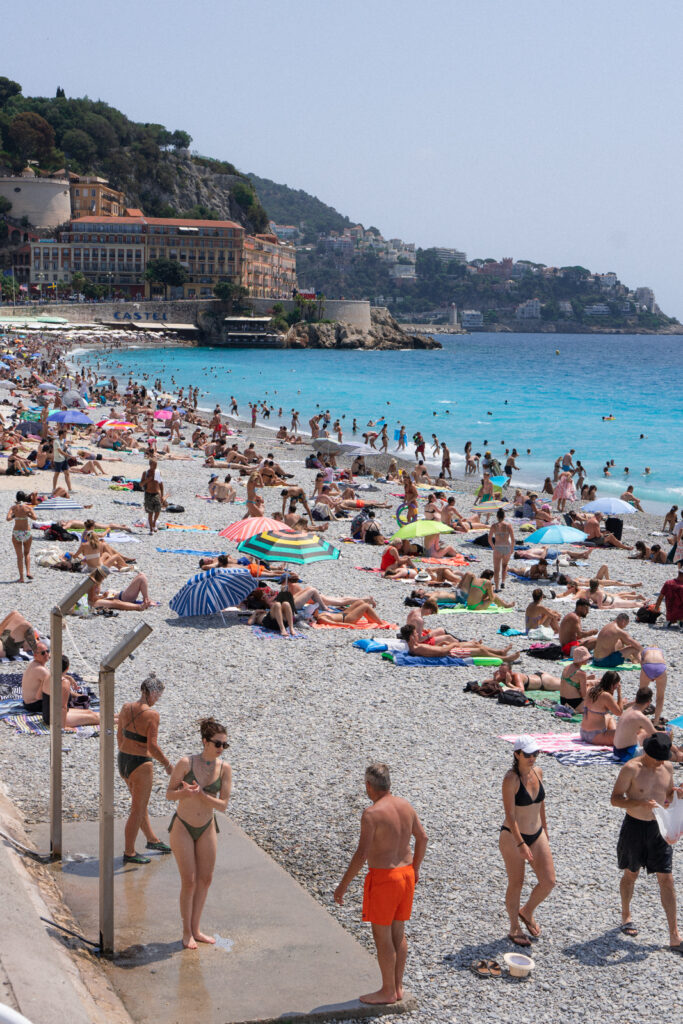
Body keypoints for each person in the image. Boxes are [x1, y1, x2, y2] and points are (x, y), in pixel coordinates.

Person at [334, 763, 427, 1005]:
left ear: (368, 786)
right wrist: (415, 868)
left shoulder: (371, 814)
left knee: (382, 936)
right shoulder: (405, 805)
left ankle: (387, 991)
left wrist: (343, 885)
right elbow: (423, 837)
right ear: (388, 784)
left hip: (385, 878)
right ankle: (397, 988)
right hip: (406, 875)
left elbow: (361, 854)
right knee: (399, 932)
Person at [610, 732, 683, 951]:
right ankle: (626, 915)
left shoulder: (667, 768)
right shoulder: (632, 769)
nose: (662, 762)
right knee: (631, 873)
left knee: (667, 879)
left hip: (658, 829)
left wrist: (677, 794)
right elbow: (615, 799)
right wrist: (638, 803)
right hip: (634, 827)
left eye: (664, 758)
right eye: (658, 758)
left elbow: (667, 794)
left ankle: (674, 935)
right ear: (647, 753)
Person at [166, 717, 232, 949]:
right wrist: (186, 793)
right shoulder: (186, 763)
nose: (221, 748)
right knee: (190, 881)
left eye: (225, 744)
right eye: (217, 743)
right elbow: (169, 794)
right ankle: (186, 932)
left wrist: (202, 795)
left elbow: (223, 805)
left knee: (205, 879)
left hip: (207, 826)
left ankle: (196, 928)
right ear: (205, 741)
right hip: (183, 825)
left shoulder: (224, 768)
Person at [499, 736, 555, 947]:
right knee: (517, 882)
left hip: (537, 832)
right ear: (517, 755)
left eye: (535, 754)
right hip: (513, 836)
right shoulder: (511, 779)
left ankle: (527, 910)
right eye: (528, 755)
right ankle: (514, 926)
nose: (532, 758)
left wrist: (546, 830)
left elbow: (541, 803)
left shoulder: (538, 772)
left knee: (548, 881)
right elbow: (510, 815)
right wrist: (521, 843)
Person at [117, 673, 173, 864]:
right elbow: (153, 747)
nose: (157, 700)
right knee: (137, 809)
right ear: (150, 693)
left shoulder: (125, 707)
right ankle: (129, 852)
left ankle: (152, 839)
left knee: (139, 805)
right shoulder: (152, 714)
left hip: (123, 760)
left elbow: (119, 736)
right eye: (157, 696)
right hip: (140, 764)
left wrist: (126, 750)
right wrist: (167, 764)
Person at [42, 654, 101, 730]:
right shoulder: (64, 683)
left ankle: (119, 716)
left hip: (48, 715)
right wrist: (63, 727)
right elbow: (63, 707)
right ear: (67, 668)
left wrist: (69, 677)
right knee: (94, 718)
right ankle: (119, 721)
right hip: (56, 718)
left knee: (90, 712)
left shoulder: (48, 676)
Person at [613, 688, 656, 762]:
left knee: (643, 732)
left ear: (636, 699)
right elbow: (656, 736)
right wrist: (667, 735)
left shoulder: (629, 710)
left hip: (616, 752)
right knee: (659, 749)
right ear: (648, 702)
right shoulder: (641, 717)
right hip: (626, 755)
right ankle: (679, 756)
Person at [580, 671, 622, 745]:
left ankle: (614, 733)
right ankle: (614, 734)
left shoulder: (591, 690)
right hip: (595, 736)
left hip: (583, 733)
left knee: (609, 717)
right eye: (616, 686)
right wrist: (619, 693)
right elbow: (619, 712)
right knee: (625, 736)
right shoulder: (606, 695)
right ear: (612, 685)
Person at [7, 491, 36, 583]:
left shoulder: (13, 508)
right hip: (26, 532)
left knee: (19, 556)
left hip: (16, 532)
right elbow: (35, 518)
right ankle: (28, 572)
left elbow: (8, 519)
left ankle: (21, 578)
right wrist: (28, 515)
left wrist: (15, 515)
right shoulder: (27, 508)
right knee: (27, 553)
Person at [639, 647, 668, 727]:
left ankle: (639, 719)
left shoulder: (645, 651)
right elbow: (662, 661)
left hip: (647, 666)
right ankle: (656, 721)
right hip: (661, 668)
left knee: (641, 695)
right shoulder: (660, 651)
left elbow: (641, 663)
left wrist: (649, 676)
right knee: (660, 697)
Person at [488, 508, 515, 590]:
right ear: (504, 516)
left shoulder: (494, 526)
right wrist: (512, 549)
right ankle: (503, 582)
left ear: (497, 516)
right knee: (505, 565)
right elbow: (513, 539)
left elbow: (489, 539)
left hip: (498, 547)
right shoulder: (508, 526)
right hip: (506, 547)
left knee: (496, 569)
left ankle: (496, 587)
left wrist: (493, 547)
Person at [21, 641, 50, 713]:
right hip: (34, 705)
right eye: (43, 653)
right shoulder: (41, 670)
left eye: (47, 651)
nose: (46, 654)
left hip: (27, 703)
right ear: (35, 655)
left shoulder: (34, 664)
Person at [141, 458, 164, 534]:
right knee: (150, 513)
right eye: (154, 465)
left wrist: (162, 496)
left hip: (156, 493)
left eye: (156, 465)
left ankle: (154, 522)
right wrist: (148, 479)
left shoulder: (158, 473)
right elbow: (141, 484)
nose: (155, 467)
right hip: (148, 494)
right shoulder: (145, 473)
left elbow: (161, 484)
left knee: (158, 510)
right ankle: (151, 529)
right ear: (150, 465)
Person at [52, 428, 72, 496]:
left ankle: (70, 489)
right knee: (57, 474)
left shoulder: (63, 440)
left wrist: (66, 447)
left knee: (67, 473)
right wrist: (68, 455)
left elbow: (64, 448)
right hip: (58, 460)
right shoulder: (56, 441)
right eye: (64, 434)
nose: (65, 435)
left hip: (63, 459)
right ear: (61, 434)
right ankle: (54, 488)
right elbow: (59, 451)